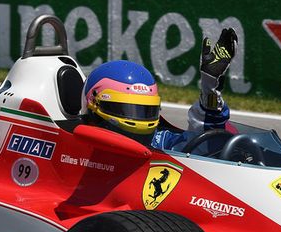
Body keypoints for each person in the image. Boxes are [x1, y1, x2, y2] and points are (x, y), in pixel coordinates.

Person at [81, 28, 238, 151]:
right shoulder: (74, 153)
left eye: (145, 110)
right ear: (94, 106)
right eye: (126, 109)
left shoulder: (159, 142)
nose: (138, 120)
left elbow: (206, 147)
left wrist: (210, 87)